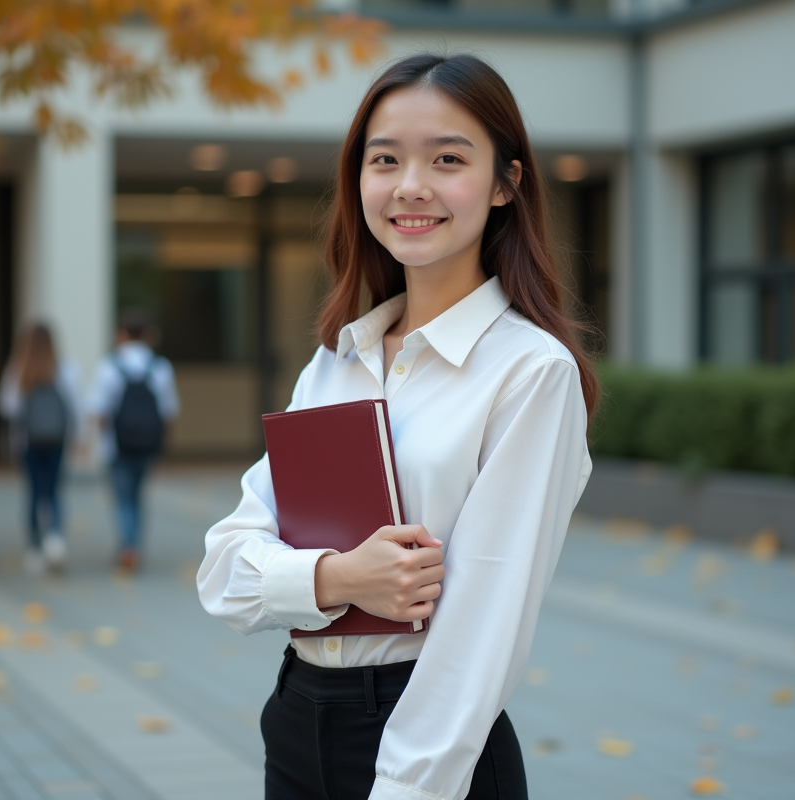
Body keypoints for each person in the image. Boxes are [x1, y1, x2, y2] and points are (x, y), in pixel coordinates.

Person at [197, 54, 599, 800]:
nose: (411, 185)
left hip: (428, 747)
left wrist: (407, 788)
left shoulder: (530, 373)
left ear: (507, 182)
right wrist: (340, 576)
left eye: (448, 158)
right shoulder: (334, 364)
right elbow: (224, 573)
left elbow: (483, 631)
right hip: (295, 719)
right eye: (385, 160)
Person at [86, 311, 179, 572]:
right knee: (138, 495)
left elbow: (99, 409)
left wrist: (97, 441)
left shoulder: (110, 366)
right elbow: (168, 411)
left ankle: (129, 546)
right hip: (147, 443)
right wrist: (162, 444)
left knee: (122, 496)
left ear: (122, 334)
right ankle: (134, 545)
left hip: (118, 444)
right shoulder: (160, 367)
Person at [0, 323, 81, 574]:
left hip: (28, 441)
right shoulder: (66, 369)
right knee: (54, 490)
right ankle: (55, 538)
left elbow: (7, 407)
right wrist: (78, 437)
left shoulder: (18, 369)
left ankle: (34, 547)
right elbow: (75, 406)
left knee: (34, 491)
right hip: (57, 440)